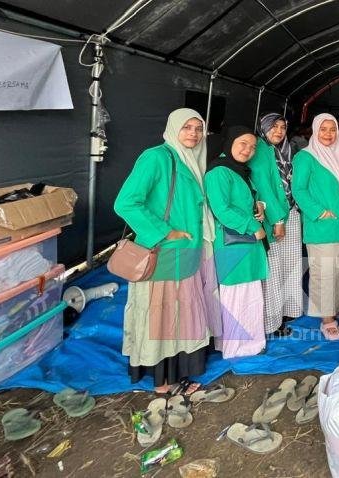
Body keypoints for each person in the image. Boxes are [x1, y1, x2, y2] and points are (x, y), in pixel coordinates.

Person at [114, 108, 220, 394]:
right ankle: (162, 382)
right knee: (162, 316)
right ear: (173, 128)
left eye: (198, 129)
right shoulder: (157, 157)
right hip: (164, 253)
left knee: (183, 314)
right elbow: (126, 203)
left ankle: (181, 374)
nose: (194, 134)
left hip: (188, 253)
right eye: (187, 128)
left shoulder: (193, 161)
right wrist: (164, 231)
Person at [204, 126, 269, 358]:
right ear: (230, 142)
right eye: (243, 143)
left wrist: (259, 207)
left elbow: (244, 201)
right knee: (237, 298)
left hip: (245, 244)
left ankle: (245, 344)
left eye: (252, 147)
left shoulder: (238, 170)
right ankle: (238, 348)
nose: (248, 150)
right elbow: (221, 209)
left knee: (247, 296)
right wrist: (254, 227)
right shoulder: (219, 171)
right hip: (233, 245)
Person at [292, 113, 339, 340]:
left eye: (332, 129)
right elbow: (299, 190)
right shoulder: (305, 157)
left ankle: (337, 307)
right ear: (315, 131)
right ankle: (327, 320)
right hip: (321, 226)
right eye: (323, 129)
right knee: (325, 274)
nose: (328, 134)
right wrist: (319, 211)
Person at [252, 113, 304, 336]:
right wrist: (277, 220)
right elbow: (263, 186)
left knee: (290, 264)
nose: (279, 131)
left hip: (291, 212)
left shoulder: (286, 151)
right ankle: (272, 321)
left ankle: (287, 310)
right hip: (275, 217)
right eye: (273, 127)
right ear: (263, 128)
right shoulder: (259, 151)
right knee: (273, 268)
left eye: (282, 127)